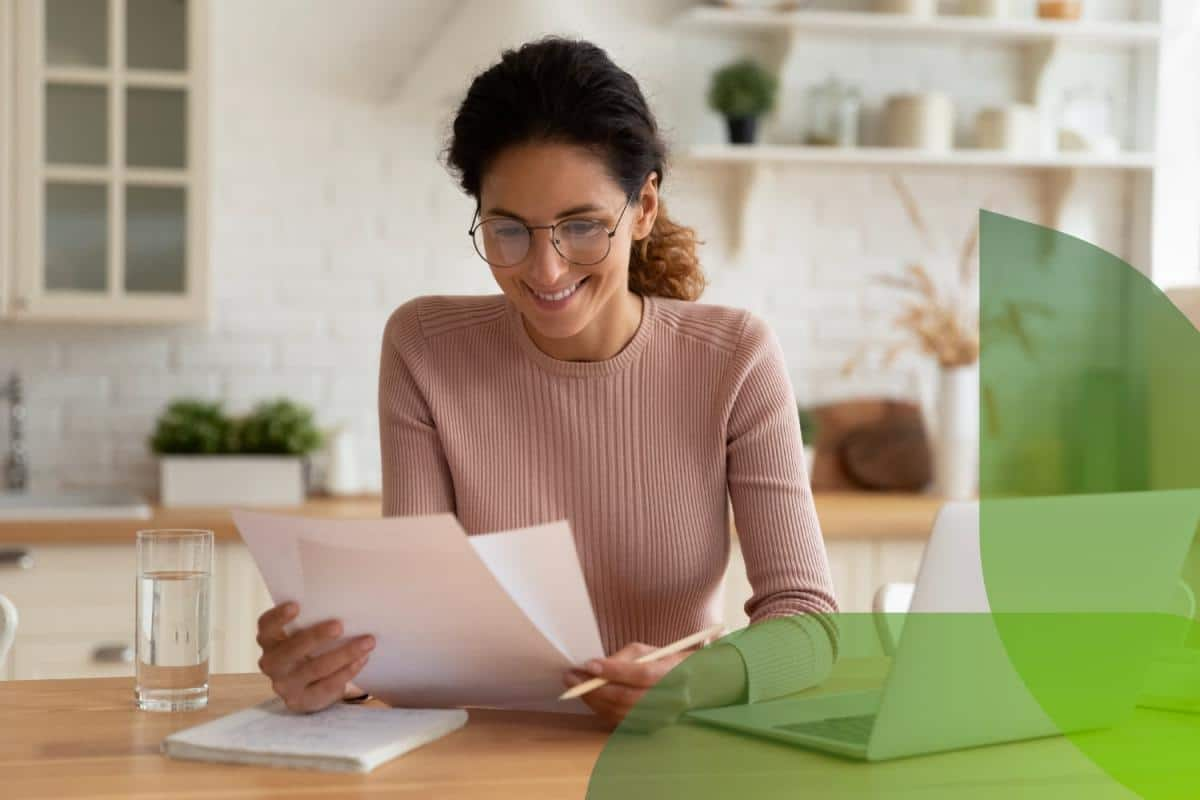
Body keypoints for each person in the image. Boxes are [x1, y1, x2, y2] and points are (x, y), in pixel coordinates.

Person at [256, 36, 838, 728]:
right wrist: (335, 675)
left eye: (582, 226)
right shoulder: (426, 348)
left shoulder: (733, 356)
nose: (546, 270)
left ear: (644, 208)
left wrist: (703, 680)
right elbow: (412, 628)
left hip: (664, 756)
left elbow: (810, 626)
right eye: (509, 231)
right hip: (477, 759)